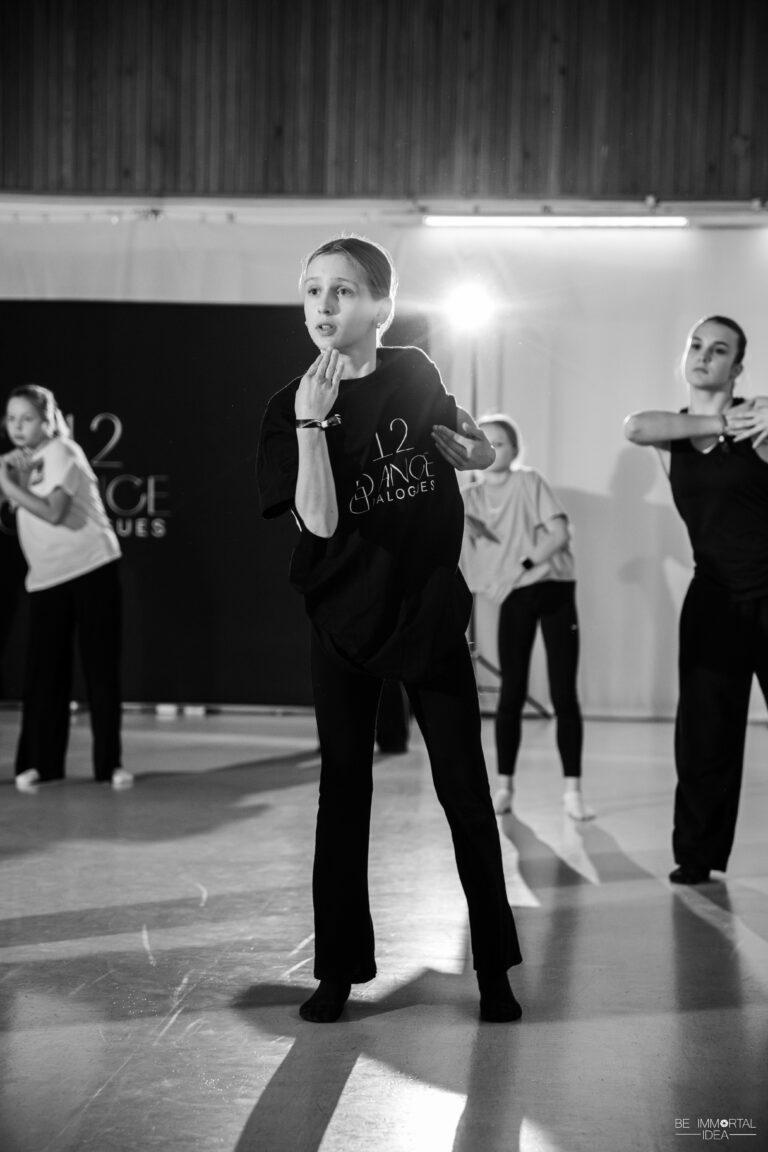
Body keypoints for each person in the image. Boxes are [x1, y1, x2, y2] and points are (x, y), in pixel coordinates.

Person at [257, 235, 522, 1024]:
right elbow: (319, 520)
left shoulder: (414, 371)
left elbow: (468, 446)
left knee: (465, 794)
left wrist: (476, 451)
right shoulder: (288, 407)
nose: (323, 305)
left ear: (381, 305)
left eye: (342, 290)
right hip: (341, 619)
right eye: (312, 290)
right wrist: (312, 427)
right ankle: (337, 971)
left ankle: (495, 969)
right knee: (343, 793)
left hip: (427, 614)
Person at [624, 315, 768, 884]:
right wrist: (719, 421)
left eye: (719, 350)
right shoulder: (673, 432)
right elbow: (635, 426)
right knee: (706, 732)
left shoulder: (760, 421)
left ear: (737, 367)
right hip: (713, 594)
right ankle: (697, 853)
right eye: (697, 345)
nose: (704, 356)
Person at [459, 414, 594, 821]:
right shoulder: (468, 498)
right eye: (484, 440)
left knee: (563, 692)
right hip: (515, 597)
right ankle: (504, 787)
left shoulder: (529, 481)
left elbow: (559, 535)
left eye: (500, 442)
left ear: (515, 449)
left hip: (553, 589)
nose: (492, 448)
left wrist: (520, 567)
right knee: (511, 692)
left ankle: (573, 791)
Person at [0, 385, 131, 793]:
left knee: (100, 670)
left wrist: (5, 482)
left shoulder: (63, 451)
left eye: (26, 418)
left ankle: (109, 766)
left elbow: (54, 513)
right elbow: (11, 514)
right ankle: (40, 765)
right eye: (11, 418)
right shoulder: (19, 462)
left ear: (46, 420)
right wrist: (9, 479)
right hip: (46, 578)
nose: (17, 427)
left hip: (92, 566)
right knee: (44, 675)